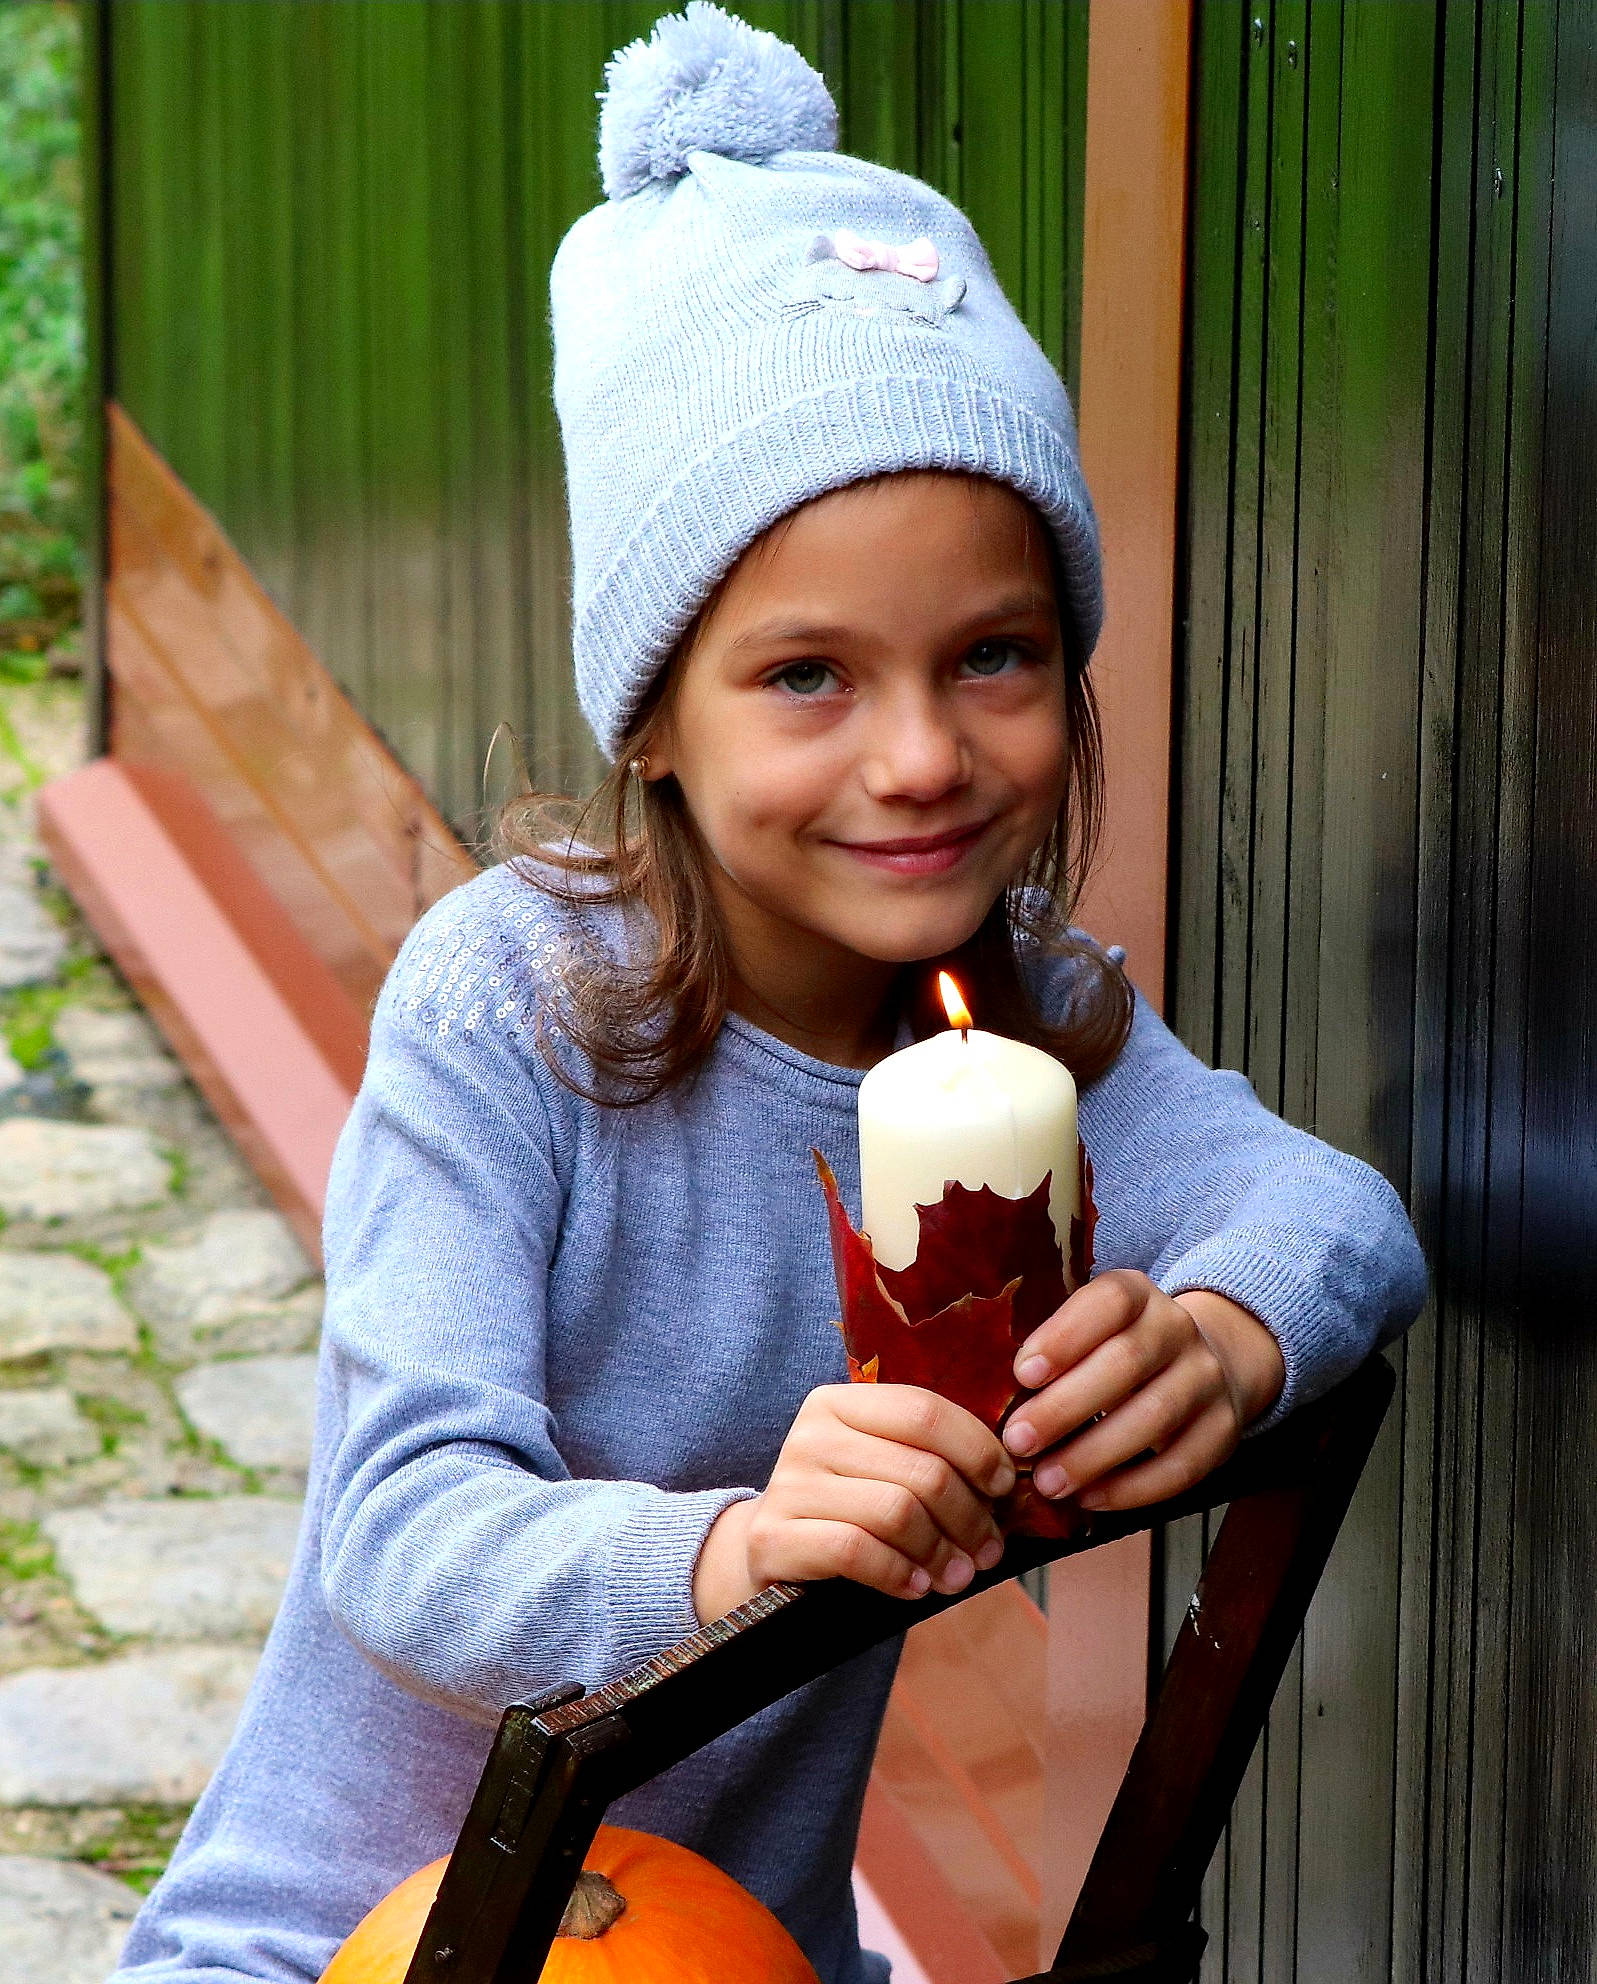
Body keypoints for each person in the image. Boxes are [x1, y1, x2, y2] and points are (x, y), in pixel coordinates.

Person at [108, 8, 1427, 1982]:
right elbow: (406, 1525)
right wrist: (728, 1553)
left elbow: (1339, 1209)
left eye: (991, 654)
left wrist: (1232, 1331)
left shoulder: (1015, 1012)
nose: (918, 757)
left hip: (755, 1948)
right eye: (808, 674)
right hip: (351, 1945)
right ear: (649, 710)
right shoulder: (515, 1005)